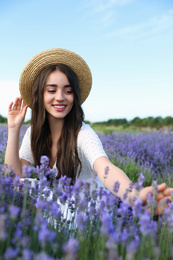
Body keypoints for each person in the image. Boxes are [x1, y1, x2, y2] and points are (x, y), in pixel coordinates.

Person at [4, 48, 172, 214]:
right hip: (57, 201)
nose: (61, 97)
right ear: (40, 95)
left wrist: (133, 195)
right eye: (52, 90)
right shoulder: (34, 133)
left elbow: (106, 168)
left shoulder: (82, 134)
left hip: (85, 208)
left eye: (68, 91)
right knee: (18, 187)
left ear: (74, 96)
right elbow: (13, 177)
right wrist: (13, 129)